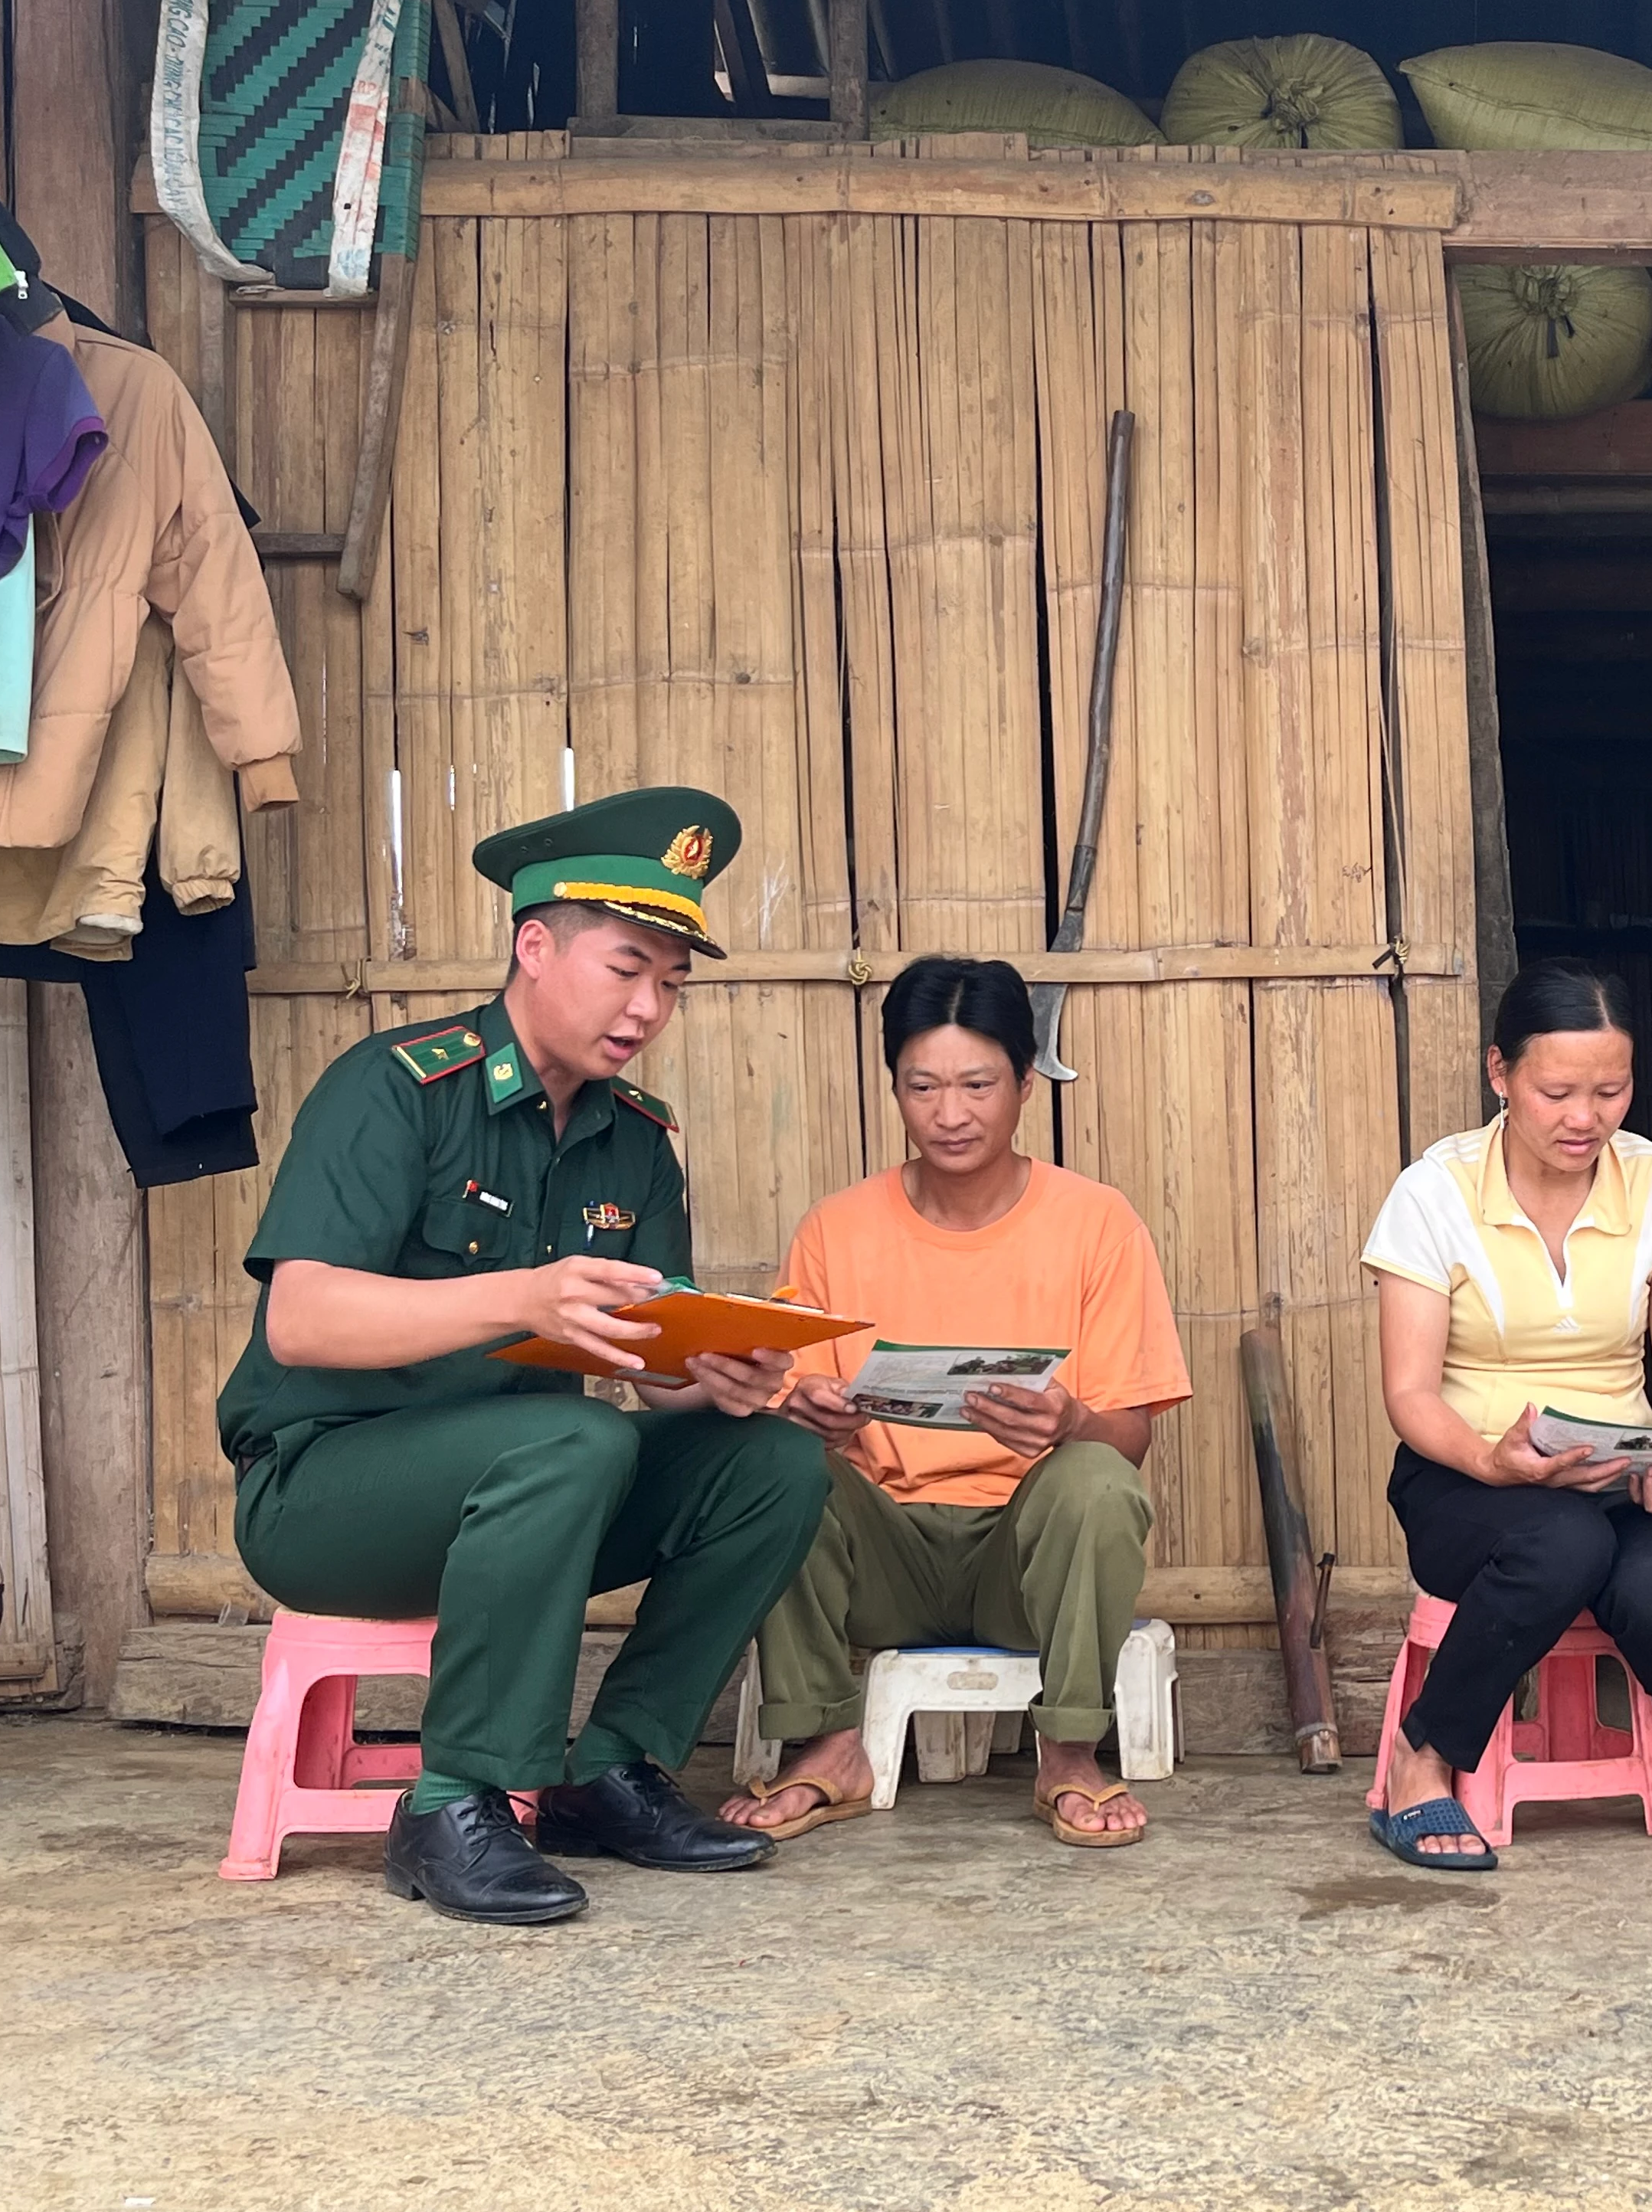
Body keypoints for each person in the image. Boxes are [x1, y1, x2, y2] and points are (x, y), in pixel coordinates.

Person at [219, 787, 832, 1927]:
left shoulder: (635, 1144)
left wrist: (723, 1377)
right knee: (572, 1433)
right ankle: (457, 1799)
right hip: (325, 1493)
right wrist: (520, 1296)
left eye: (672, 985)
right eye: (626, 968)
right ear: (535, 945)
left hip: (538, 1495)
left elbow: (650, 1358)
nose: (648, 1007)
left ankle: (614, 1769)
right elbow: (301, 1320)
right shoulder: (398, 1090)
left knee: (774, 1465)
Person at [719, 956, 1191, 1849]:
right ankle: (827, 1743)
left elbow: (1128, 1436)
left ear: (1024, 1082)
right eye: (922, 1085)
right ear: (893, 1087)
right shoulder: (837, 1228)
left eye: (978, 1083)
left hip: (1021, 1562)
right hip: (882, 1555)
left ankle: (1071, 1753)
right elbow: (785, 1398)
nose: (950, 1113)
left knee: (1093, 1477)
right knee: (769, 1463)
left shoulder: (1095, 1223)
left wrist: (1073, 1423)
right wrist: (808, 1410)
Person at [1360, 959, 1652, 1870]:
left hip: (1620, 1469)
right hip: (1465, 1475)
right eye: (1557, 1091)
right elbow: (1410, 1394)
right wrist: (1497, 1463)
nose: (1586, 1118)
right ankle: (1426, 1761)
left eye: (1610, 1090)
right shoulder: (1435, 1194)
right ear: (1501, 1074)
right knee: (1559, 1547)